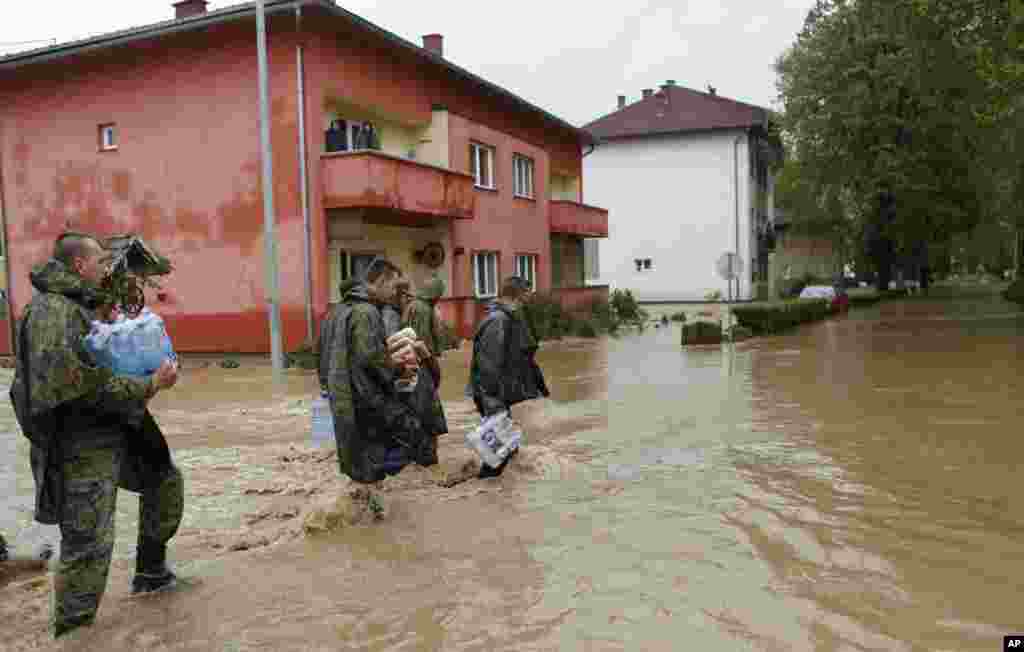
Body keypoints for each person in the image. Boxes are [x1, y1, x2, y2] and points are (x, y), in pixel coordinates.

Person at [9, 232, 182, 638]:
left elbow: (99, 360)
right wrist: (148, 384)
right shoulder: (53, 312)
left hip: (118, 425)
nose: (109, 271)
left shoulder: (82, 305)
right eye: (102, 264)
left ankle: (151, 575)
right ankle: (73, 634)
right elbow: (76, 389)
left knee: (166, 482)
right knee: (88, 543)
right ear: (79, 266)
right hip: (80, 443)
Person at [322, 258, 432, 482]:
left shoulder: (336, 311)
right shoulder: (367, 312)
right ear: (381, 281)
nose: (394, 294)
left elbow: (322, 356)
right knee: (415, 436)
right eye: (393, 287)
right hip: (367, 402)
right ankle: (376, 505)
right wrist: (401, 371)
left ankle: (365, 507)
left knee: (359, 466)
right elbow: (371, 359)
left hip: (342, 401)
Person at [468, 276, 549, 478]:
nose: (530, 299)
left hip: (496, 394)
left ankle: (495, 489)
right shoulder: (499, 320)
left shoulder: (507, 317)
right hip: (491, 394)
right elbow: (487, 365)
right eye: (528, 295)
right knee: (499, 455)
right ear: (518, 295)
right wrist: (493, 403)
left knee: (509, 450)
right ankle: (482, 490)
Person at [403, 277, 447, 360]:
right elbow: (424, 335)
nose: (439, 298)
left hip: (410, 350)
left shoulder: (413, 304)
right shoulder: (423, 308)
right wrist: (432, 354)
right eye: (439, 295)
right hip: (421, 355)